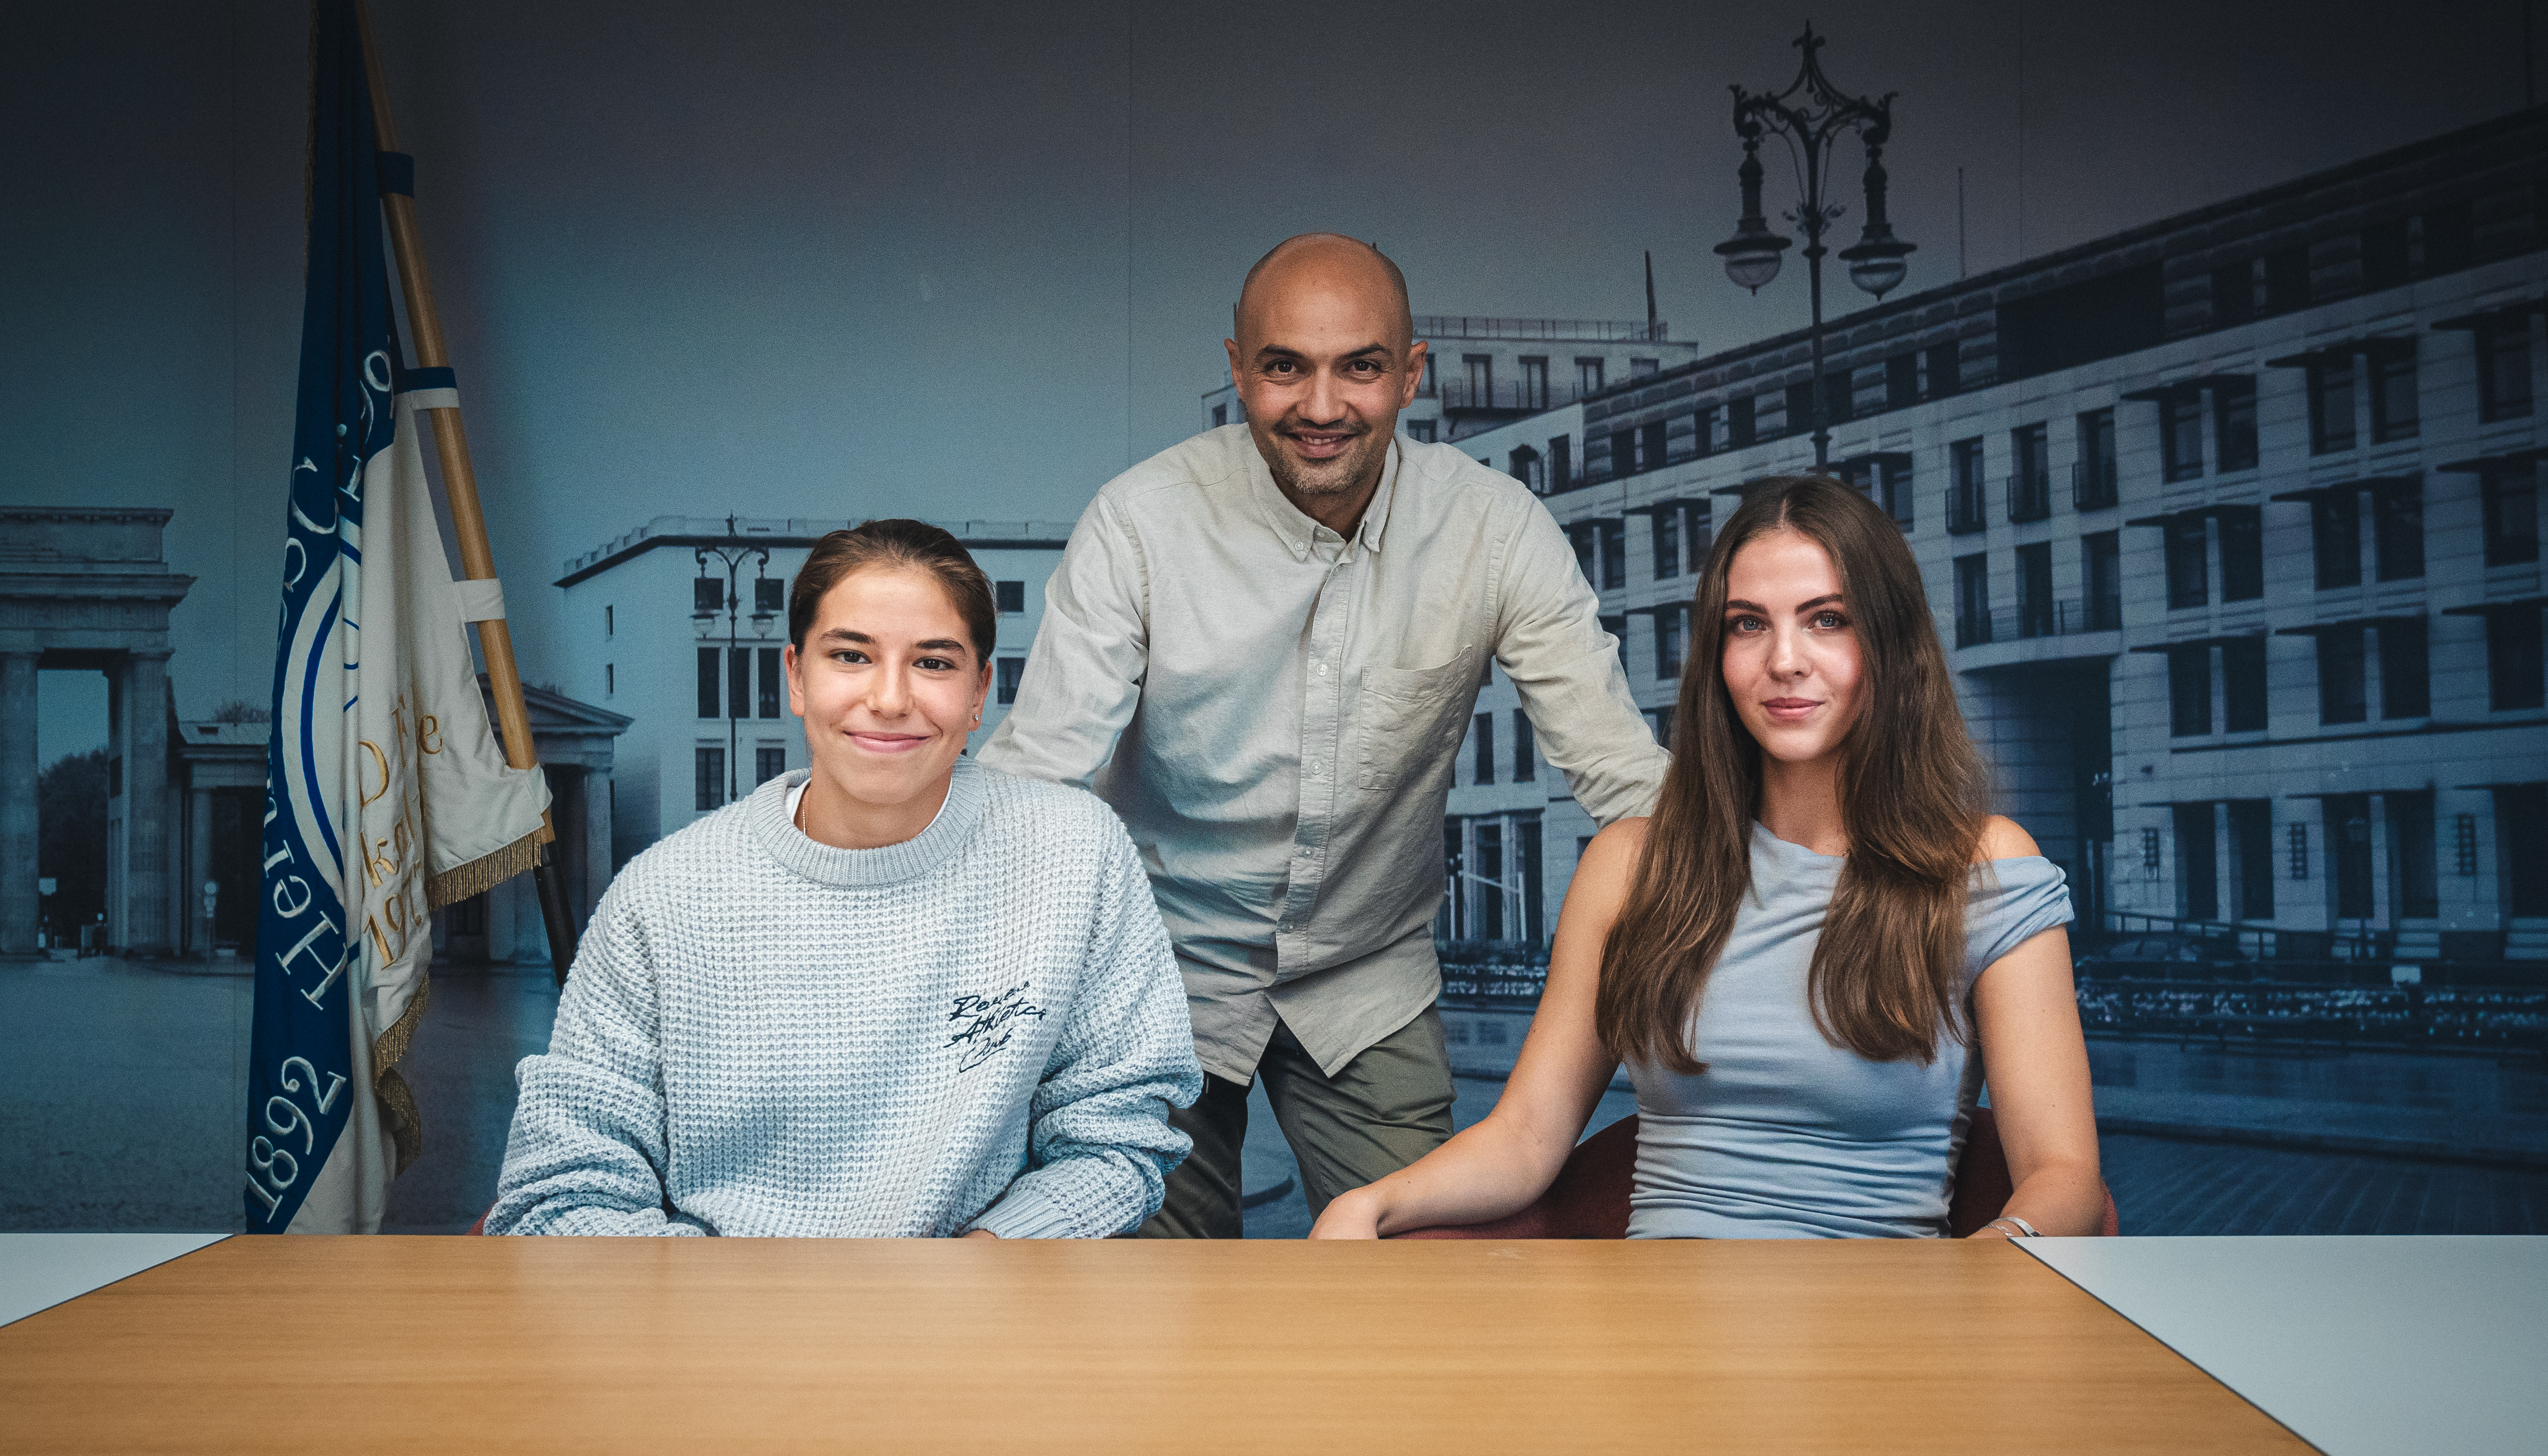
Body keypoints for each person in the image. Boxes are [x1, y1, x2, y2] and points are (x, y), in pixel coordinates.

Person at [979, 234, 1668, 1236]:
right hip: (1156, 980)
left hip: (1366, 976)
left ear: (1412, 373)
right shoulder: (1138, 523)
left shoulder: (1496, 528)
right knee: (1154, 1319)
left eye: (1360, 366)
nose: (1320, 406)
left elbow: (1619, 773)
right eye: (1283, 367)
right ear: (1236, 368)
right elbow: (1039, 781)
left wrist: (1810, 904)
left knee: (1430, 1298)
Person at [1311, 476, 2106, 1240]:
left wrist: (1974, 1281)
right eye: (1748, 624)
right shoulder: (1632, 868)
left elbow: (2063, 1174)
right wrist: (1370, 1206)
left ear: (1890, 644)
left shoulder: (1982, 868)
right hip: (1657, 1331)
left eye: (1826, 619)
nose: (1784, 660)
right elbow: (1525, 1137)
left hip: (1883, 1334)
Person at [487, 520, 1202, 1237]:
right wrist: (733, 1323)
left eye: (933, 663)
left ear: (981, 691)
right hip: (713, 1323)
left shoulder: (1074, 852)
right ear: (796, 677)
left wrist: (971, 1279)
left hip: (978, 1315)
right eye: (852, 655)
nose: (890, 699)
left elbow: (1115, 1143)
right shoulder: (663, 895)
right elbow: (565, 1189)